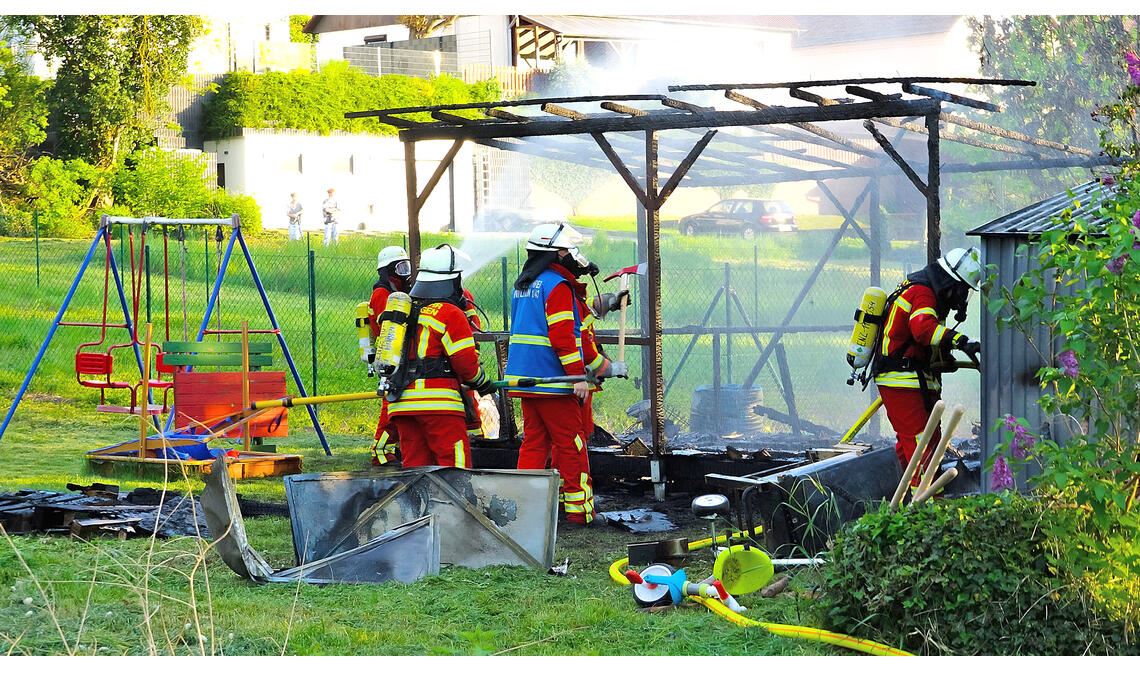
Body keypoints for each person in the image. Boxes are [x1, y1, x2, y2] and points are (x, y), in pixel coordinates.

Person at [505, 223, 626, 526]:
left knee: (534, 443)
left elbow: (563, 323)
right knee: (571, 445)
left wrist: (602, 306)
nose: (576, 256)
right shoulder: (558, 287)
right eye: (571, 251)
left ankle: (525, 509)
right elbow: (565, 338)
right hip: (555, 382)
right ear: (557, 253)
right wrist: (580, 377)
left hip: (528, 381)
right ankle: (578, 512)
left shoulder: (526, 285)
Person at [872, 247, 983, 485]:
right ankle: (924, 505)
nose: (962, 299)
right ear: (951, 283)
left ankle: (905, 501)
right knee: (920, 444)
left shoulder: (929, 294)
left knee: (925, 441)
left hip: (916, 379)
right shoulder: (922, 293)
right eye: (963, 290)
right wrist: (960, 341)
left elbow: (925, 338)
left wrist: (945, 357)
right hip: (901, 380)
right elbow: (923, 329)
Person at [386, 244, 497, 468]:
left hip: (401, 404)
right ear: (452, 281)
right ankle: (453, 505)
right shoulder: (450, 313)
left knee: (416, 469)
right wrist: (483, 383)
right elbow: (466, 364)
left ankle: (417, 504)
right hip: (438, 405)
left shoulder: (407, 310)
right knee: (454, 468)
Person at [366, 245, 413, 466]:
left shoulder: (393, 293)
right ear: (387, 271)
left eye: (407, 267)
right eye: (400, 268)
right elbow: (390, 326)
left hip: (400, 357)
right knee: (391, 407)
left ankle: (396, 447)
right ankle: (380, 450)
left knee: (400, 406)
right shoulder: (382, 294)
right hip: (392, 358)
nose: (405, 274)